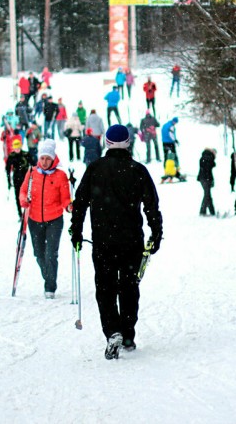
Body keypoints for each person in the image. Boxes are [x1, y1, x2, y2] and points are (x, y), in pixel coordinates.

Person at [70, 124, 163, 359]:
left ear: (107, 143)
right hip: (132, 241)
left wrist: (77, 231)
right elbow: (152, 205)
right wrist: (156, 232)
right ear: (128, 143)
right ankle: (128, 333)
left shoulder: (95, 169)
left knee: (106, 288)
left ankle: (112, 330)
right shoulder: (138, 170)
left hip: (103, 241)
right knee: (129, 288)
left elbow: (80, 202)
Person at [19, 139, 71, 299]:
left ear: (53, 158)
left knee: (50, 254)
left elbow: (65, 198)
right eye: (42, 158)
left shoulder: (61, 175)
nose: (45, 161)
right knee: (38, 254)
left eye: (48, 158)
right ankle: (48, 276)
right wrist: (23, 200)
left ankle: (50, 285)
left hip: (54, 219)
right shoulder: (32, 173)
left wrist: (69, 206)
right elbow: (22, 191)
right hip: (34, 219)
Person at [6, 138, 31, 218]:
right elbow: (7, 169)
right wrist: (8, 181)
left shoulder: (26, 154)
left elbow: (34, 165)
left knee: (28, 196)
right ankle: (20, 214)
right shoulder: (11, 156)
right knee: (18, 196)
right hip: (17, 178)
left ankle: (28, 211)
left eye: (18, 148)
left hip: (26, 178)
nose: (17, 150)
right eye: (16, 148)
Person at [197, 148, 217, 216]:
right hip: (206, 179)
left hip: (203, 178)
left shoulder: (203, 157)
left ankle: (211, 211)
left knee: (207, 195)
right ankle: (203, 211)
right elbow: (209, 168)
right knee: (207, 195)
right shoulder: (209, 158)